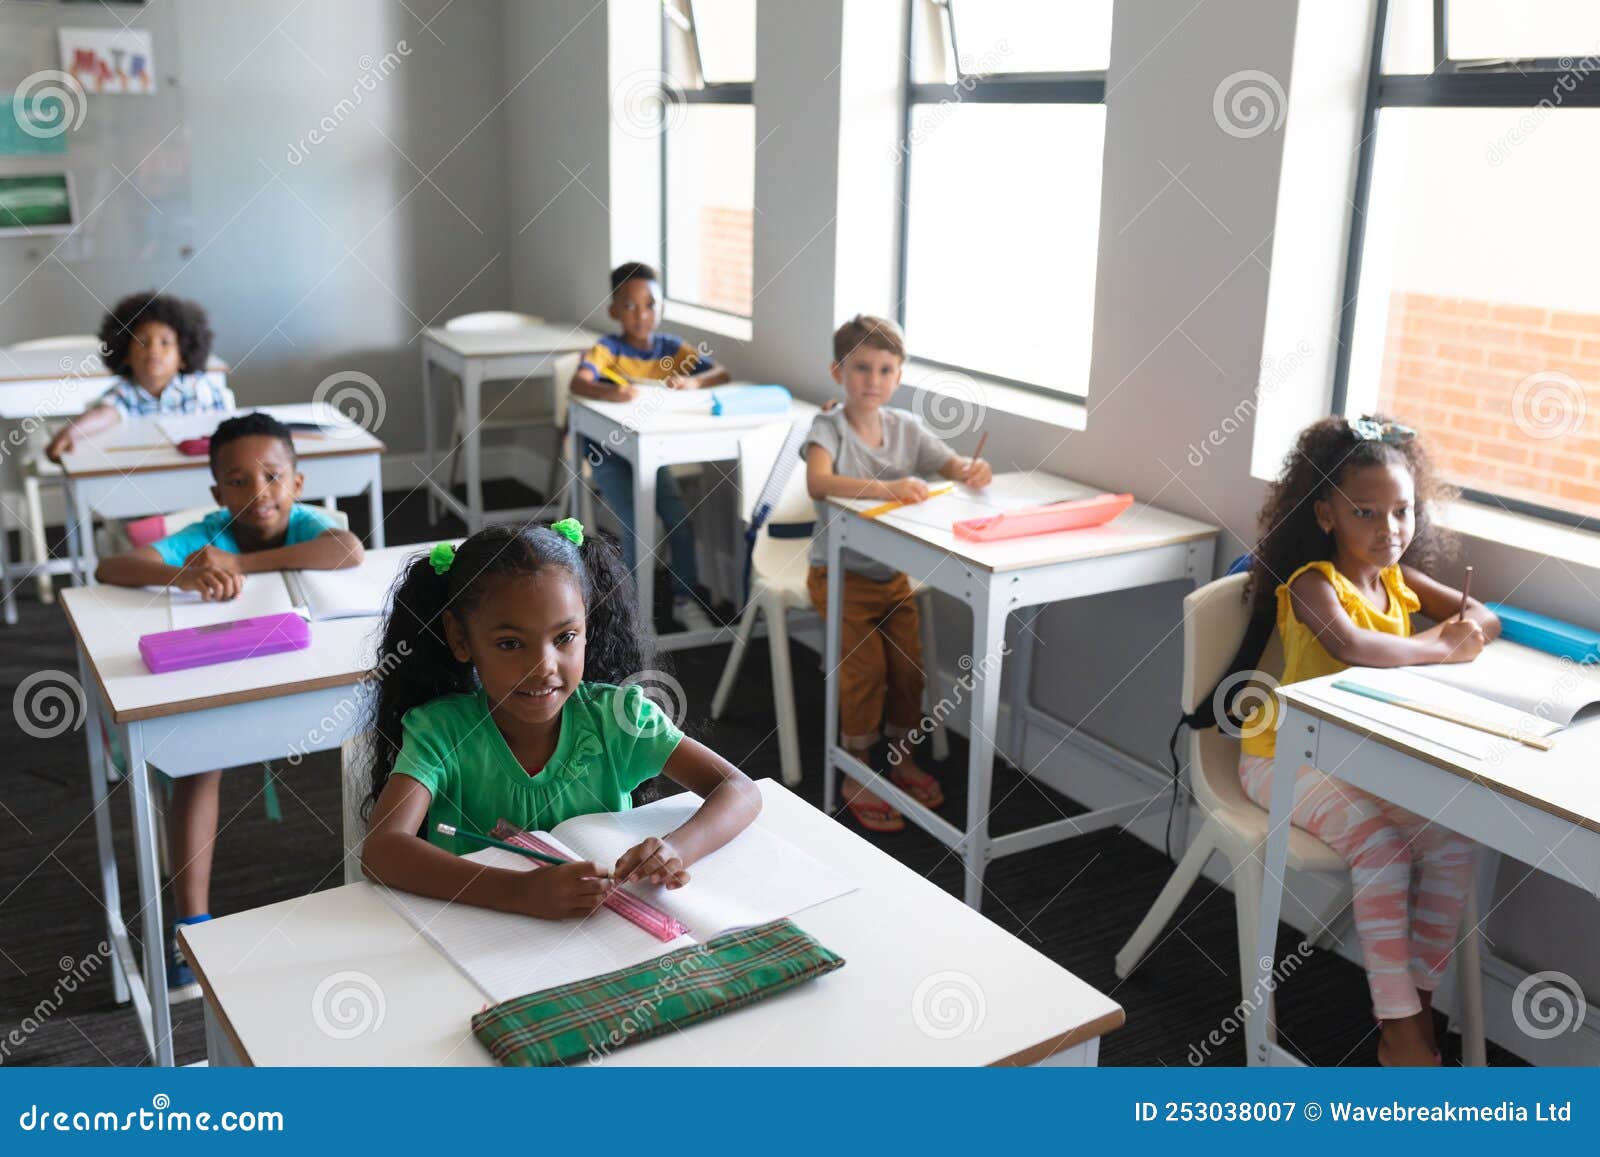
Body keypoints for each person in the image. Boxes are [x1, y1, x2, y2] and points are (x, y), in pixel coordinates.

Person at [1237, 414, 1499, 1065]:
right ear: (1327, 514)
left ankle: (1414, 1001)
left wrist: (1465, 629)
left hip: (1355, 761)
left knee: (1454, 835)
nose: (1390, 530)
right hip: (1280, 757)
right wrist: (1438, 645)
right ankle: (1406, 1030)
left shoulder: (1398, 580)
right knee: (1382, 847)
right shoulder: (1312, 584)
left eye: (1403, 512)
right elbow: (1351, 645)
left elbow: (1486, 615)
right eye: (1367, 512)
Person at [360, 518, 761, 918]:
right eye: (510, 644)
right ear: (461, 639)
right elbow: (382, 851)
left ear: (589, 624)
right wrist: (519, 892)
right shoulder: (442, 732)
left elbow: (740, 791)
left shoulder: (618, 717)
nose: (543, 667)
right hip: (477, 940)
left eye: (565, 637)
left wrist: (675, 849)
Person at [95, 411, 365, 993]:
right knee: (195, 762)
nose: (258, 493)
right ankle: (190, 927)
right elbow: (111, 566)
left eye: (272, 476)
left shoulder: (308, 523)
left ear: (297, 482)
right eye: (239, 481)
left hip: (304, 670)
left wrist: (241, 564)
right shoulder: (210, 531)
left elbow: (347, 550)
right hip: (226, 672)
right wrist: (183, 574)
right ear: (218, 492)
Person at [803, 314, 990, 832]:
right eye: (861, 368)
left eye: (886, 369)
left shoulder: (907, 428)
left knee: (909, 672)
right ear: (838, 371)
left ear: (899, 376)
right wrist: (889, 489)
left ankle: (901, 757)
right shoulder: (829, 427)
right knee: (866, 673)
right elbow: (819, 484)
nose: (873, 380)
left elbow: (950, 465)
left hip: (894, 578)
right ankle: (856, 768)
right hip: (840, 578)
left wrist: (972, 470)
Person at [568, 262, 729, 631]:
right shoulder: (607, 349)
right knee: (637, 526)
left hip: (651, 454)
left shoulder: (670, 348)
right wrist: (614, 391)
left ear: (660, 308)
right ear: (614, 311)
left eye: (650, 304)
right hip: (607, 452)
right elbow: (578, 384)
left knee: (679, 521)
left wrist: (694, 384)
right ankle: (633, 613)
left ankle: (684, 598)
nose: (642, 314)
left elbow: (719, 373)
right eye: (630, 305)